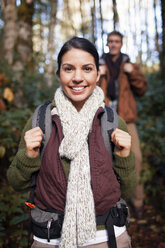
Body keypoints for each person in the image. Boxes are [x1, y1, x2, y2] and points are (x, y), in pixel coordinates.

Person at [7, 36, 137, 248]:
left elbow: (128, 190)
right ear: (58, 74)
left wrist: (123, 157)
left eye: (87, 69)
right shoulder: (41, 120)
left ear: (97, 74)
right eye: (68, 69)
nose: (78, 77)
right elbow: (16, 182)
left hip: (107, 237)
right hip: (50, 238)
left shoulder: (112, 122)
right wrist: (28, 156)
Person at [98, 31, 147, 218]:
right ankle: (114, 204)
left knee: (136, 158)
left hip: (126, 119)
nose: (113, 44)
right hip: (104, 119)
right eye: (110, 41)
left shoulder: (129, 64)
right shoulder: (99, 64)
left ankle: (138, 203)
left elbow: (142, 89)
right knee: (107, 161)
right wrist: (97, 75)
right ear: (107, 43)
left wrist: (132, 72)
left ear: (121, 43)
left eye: (116, 41)